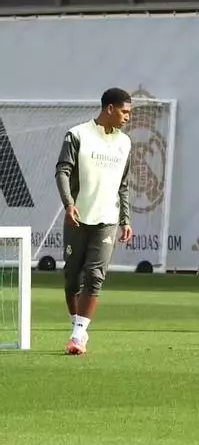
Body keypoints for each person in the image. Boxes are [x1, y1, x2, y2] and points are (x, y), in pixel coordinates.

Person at [55, 88, 134, 355]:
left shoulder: (125, 143)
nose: (127, 117)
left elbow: (123, 185)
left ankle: (78, 336)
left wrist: (125, 219)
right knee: (71, 280)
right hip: (77, 218)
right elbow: (62, 171)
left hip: (107, 219)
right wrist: (69, 204)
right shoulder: (77, 135)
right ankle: (78, 327)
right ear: (109, 108)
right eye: (124, 111)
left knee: (95, 276)